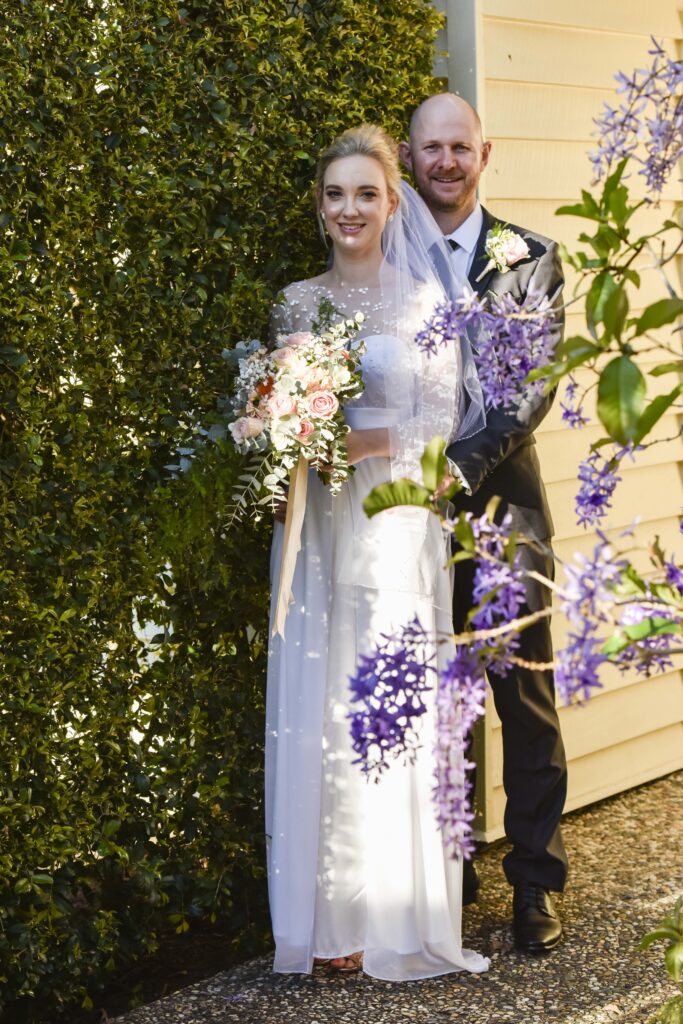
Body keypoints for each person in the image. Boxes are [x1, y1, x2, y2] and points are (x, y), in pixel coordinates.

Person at [265, 124, 489, 980]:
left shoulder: (425, 304)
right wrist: (281, 427)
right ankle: (329, 920)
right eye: (335, 194)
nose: (349, 209)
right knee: (318, 700)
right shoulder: (295, 304)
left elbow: (439, 426)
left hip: (393, 512)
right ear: (318, 207)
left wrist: (351, 441)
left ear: (393, 203)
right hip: (316, 517)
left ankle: (394, 915)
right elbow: (275, 406)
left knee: (382, 696)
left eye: (365, 193)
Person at [399, 93, 568, 954]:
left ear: (484, 154)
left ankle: (535, 881)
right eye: (431, 148)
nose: (446, 162)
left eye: (459, 147)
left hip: (506, 513)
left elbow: (527, 391)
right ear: (407, 156)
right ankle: (452, 873)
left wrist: (451, 470)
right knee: (442, 700)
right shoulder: (385, 255)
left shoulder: (530, 259)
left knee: (523, 701)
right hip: (405, 523)